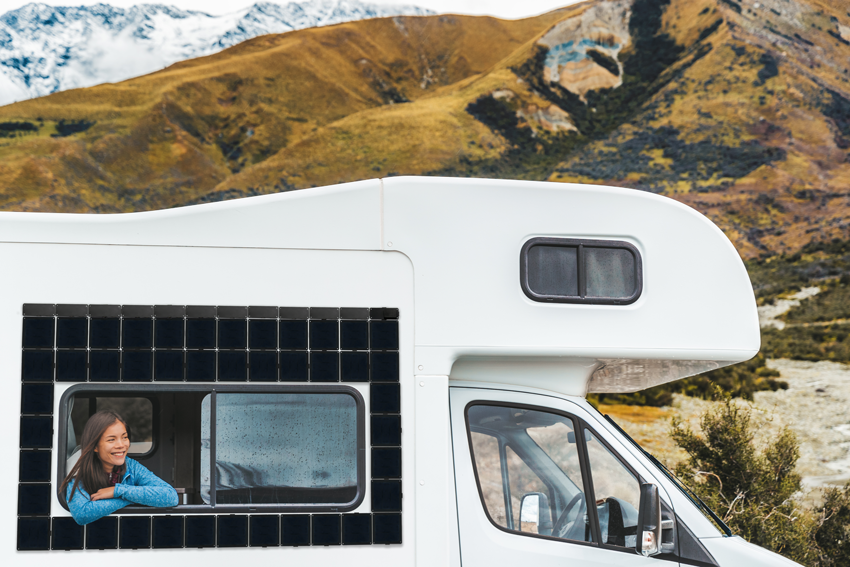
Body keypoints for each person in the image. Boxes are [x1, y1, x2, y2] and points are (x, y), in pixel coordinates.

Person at [59, 410, 178, 525]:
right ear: (95, 446)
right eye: (111, 440)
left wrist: (118, 491)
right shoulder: (79, 469)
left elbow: (171, 497)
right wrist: (133, 498)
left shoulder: (131, 466)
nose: (121, 445)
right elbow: (82, 514)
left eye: (125, 437)